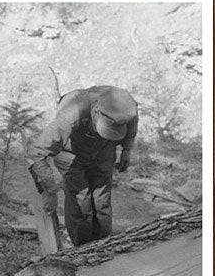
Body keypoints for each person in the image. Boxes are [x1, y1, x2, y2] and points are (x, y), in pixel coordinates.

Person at [27, 85, 138, 246]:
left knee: (102, 200)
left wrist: (127, 149)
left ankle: (103, 245)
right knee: (81, 200)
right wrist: (49, 191)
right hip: (70, 153)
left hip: (104, 149)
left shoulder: (126, 107)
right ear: (95, 113)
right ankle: (82, 248)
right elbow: (36, 152)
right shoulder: (72, 113)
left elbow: (133, 123)